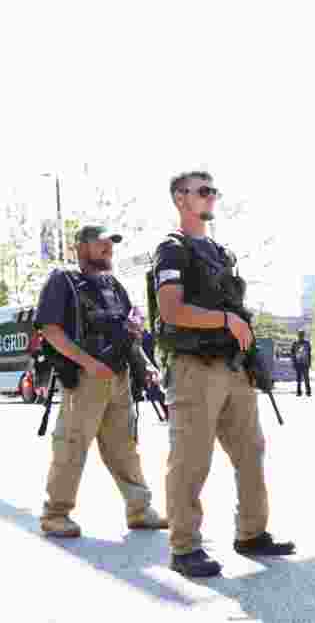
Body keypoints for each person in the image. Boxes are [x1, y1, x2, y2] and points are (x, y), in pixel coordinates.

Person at [153, 171, 294, 578]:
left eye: (213, 190)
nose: (211, 197)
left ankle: (252, 533)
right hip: (194, 368)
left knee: (251, 452)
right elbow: (170, 310)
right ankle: (184, 548)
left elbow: (236, 309)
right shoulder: (172, 249)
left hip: (233, 368)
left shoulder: (219, 252)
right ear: (181, 199)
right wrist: (225, 319)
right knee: (191, 460)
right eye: (202, 191)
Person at [35, 225, 166, 538]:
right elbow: (50, 331)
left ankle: (139, 509)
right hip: (85, 379)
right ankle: (55, 514)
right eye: (101, 242)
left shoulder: (113, 285)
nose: (109, 247)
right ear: (81, 247)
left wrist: (145, 364)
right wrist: (91, 364)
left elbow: (128, 331)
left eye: (111, 243)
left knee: (125, 448)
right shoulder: (62, 280)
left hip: (118, 377)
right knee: (71, 446)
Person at [290, 330, 313, 397]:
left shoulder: (307, 343)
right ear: (298, 335)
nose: (301, 336)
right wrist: (294, 363)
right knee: (299, 379)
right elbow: (292, 354)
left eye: (302, 334)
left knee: (306, 378)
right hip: (299, 363)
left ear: (303, 335)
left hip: (305, 363)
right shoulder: (295, 343)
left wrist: (309, 363)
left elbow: (309, 354)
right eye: (300, 334)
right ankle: (299, 392)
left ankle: (307, 392)